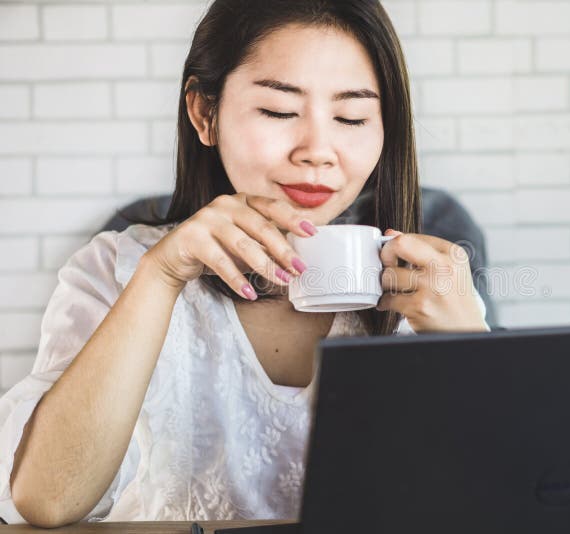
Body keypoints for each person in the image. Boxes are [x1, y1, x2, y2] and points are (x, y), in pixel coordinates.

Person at [0, 0, 489, 526]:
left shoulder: (430, 292)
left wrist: (477, 350)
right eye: (279, 111)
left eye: (352, 117)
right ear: (204, 114)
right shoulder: (113, 269)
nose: (318, 151)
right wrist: (162, 277)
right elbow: (47, 503)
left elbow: (510, 498)